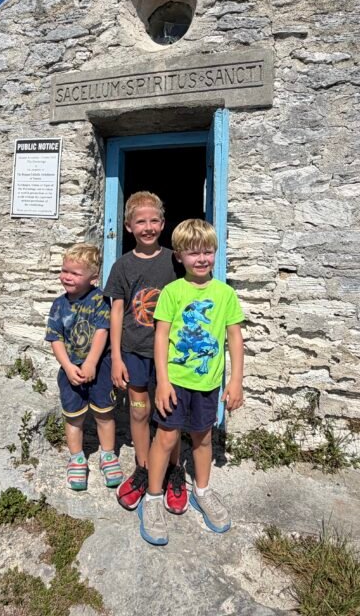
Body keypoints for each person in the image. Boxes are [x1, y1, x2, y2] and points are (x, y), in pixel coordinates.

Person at [138, 219, 246, 546]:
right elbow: (160, 339)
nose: (201, 259)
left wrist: (236, 380)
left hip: (208, 384)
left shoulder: (225, 294)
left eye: (208, 252)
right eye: (193, 253)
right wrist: (164, 382)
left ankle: (201, 491)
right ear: (180, 257)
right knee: (167, 439)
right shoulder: (173, 292)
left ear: (215, 253)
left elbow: (235, 339)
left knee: (202, 439)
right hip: (175, 381)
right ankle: (153, 498)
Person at [104, 191, 186, 513]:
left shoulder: (174, 261)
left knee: (170, 414)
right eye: (141, 221)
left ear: (163, 224)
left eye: (154, 220)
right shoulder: (122, 266)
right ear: (128, 226)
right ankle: (143, 468)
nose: (148, 227)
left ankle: (174, 470)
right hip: (134, 352)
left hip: (170, 353)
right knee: (138, 410)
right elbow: (116, 312)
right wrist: (116, 357)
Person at [45, 243, 123, 491]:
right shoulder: (59, 305)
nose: (66, 276)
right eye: (64, 270)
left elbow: (103, 331)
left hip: (99, 368)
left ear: (93, 278)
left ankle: (108, 455)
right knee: (73, 416)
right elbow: (54, 338)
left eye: (75, 273)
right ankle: (77, 458)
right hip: (71, 369)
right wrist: (68, 367)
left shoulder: (100, 300)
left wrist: (91, 362)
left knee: (104, 413)